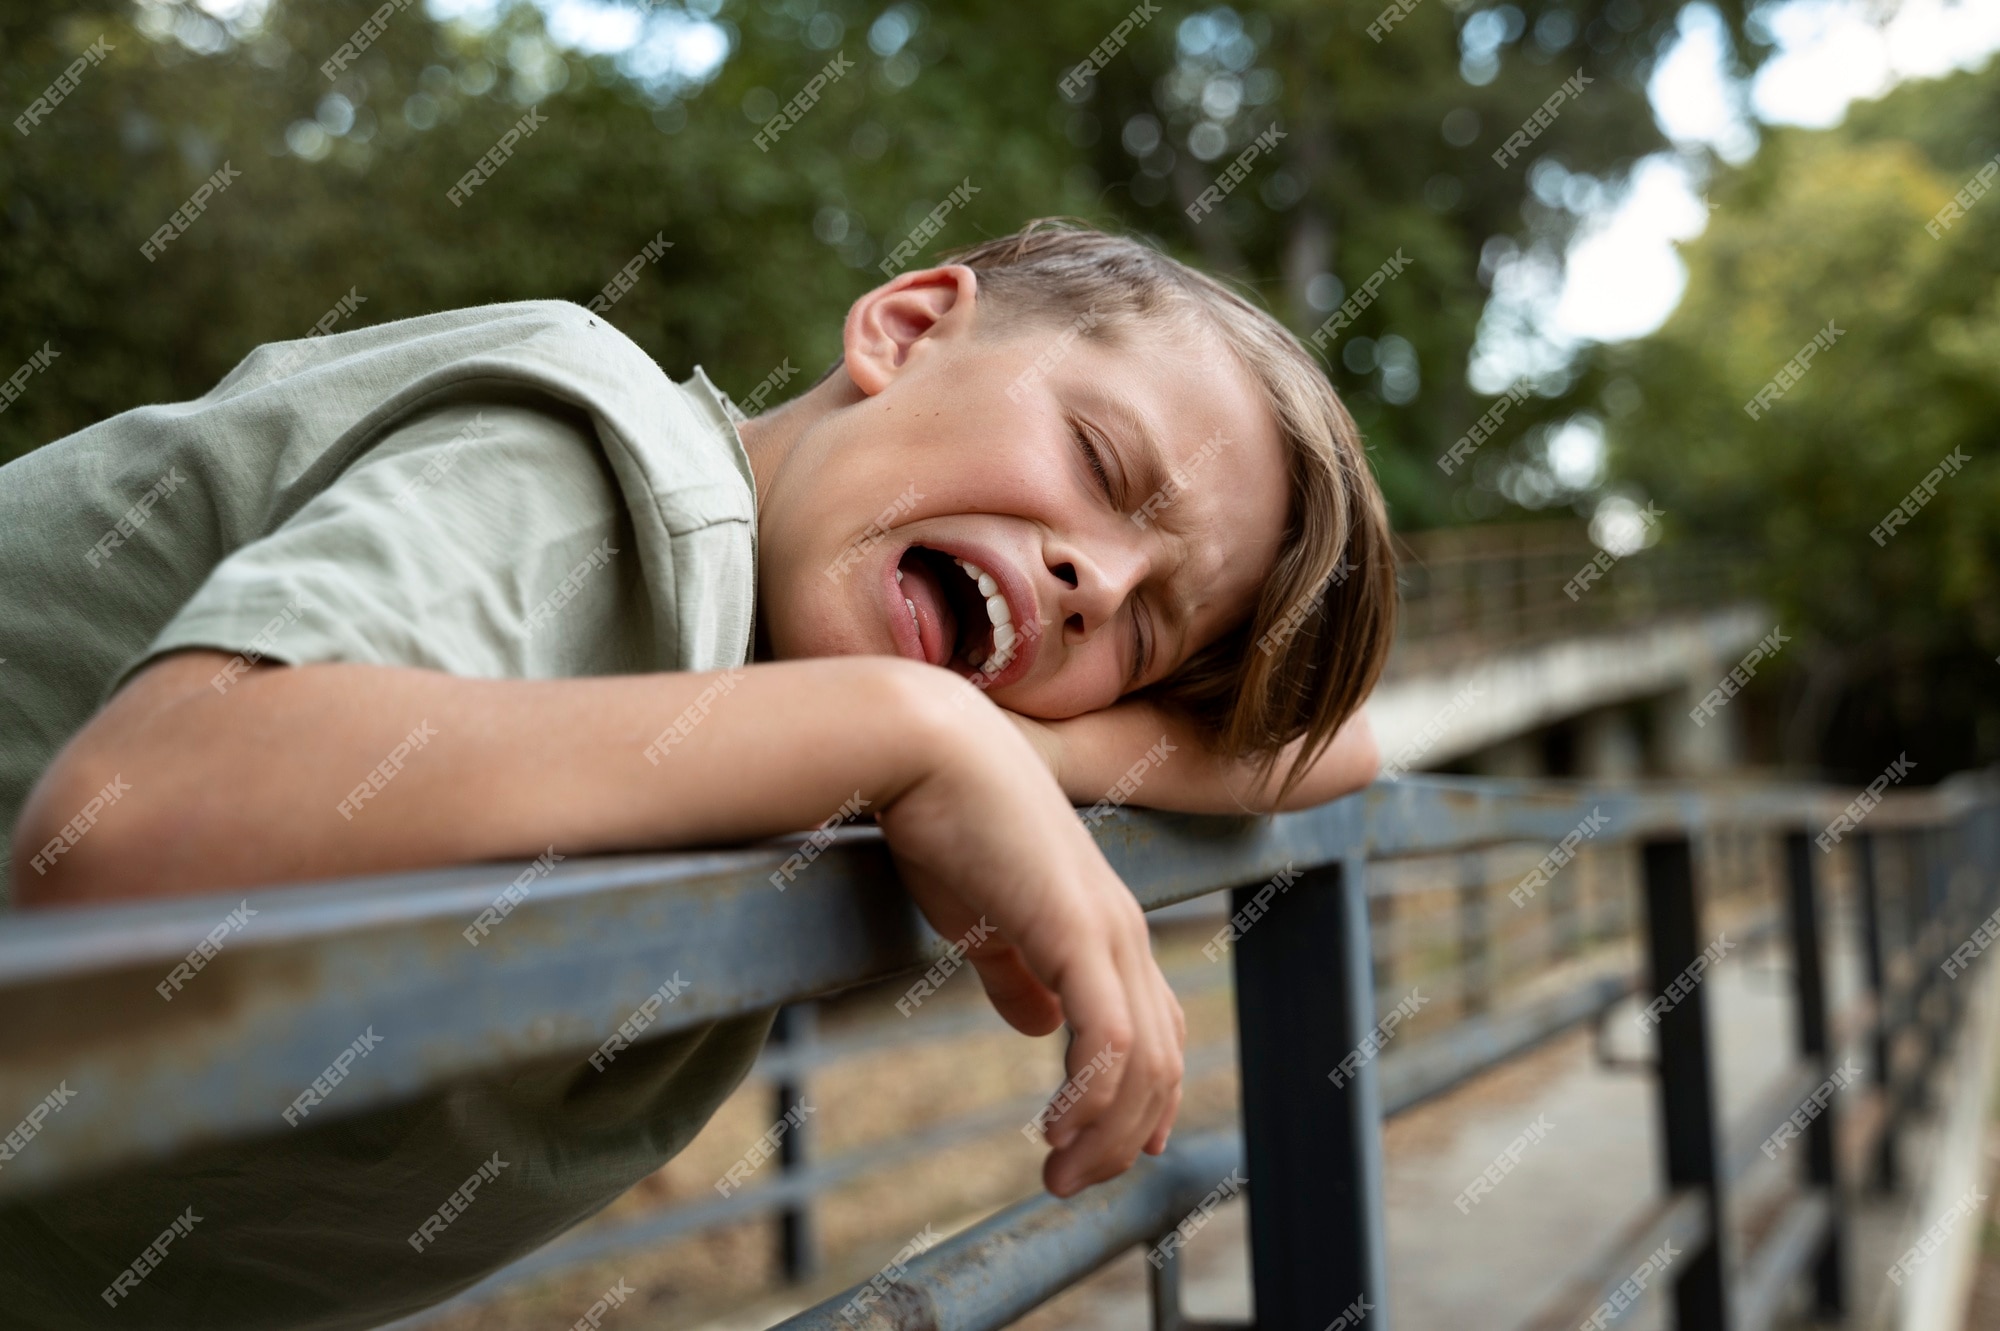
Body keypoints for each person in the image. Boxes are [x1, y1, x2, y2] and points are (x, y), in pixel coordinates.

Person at [0, 219, 1395, 1328]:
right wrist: (915, 731)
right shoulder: (601, 469)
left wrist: (1012, 749)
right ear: (904, 332)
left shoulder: (768, 689)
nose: (1099, 582)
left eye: (1147, 632)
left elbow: (1341, 745)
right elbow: (129, 834)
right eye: (1098, 459)